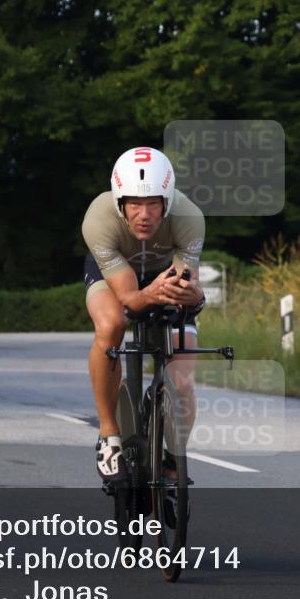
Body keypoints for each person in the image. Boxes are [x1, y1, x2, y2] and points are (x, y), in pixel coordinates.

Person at [81, 147, 205, 482]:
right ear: (119, 202)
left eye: (153, 204)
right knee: (112, 324)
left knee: (183, 376)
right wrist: (146, 296)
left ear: (168, 201)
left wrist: (194, 297)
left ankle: (174, 455)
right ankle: (108, 435)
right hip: (114, 276)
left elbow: (185, 286)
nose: (144, 214)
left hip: (164, 272)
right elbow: (129, 301)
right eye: (134, 204)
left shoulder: (189, 217)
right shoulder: (98, 218)